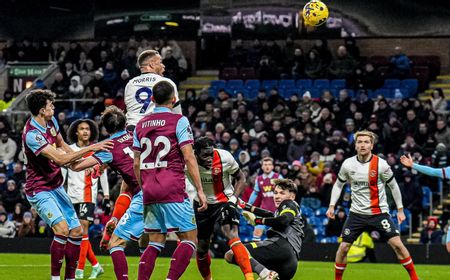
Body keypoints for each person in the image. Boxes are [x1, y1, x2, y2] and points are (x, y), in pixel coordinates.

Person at [22, 89, 113, 280]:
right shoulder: (32, 135)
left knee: (77, 231)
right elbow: (60, 160)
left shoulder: (51, 121)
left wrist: (80, 165)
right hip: (39, 189)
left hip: (56, 186)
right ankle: (55, 278)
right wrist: (91, 148)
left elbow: (63, 145)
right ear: (41, 110)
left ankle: (70, 278)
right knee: (62, 229)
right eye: (50, 105)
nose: (53, 107)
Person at [133, 81, 207, 280]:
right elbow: (189, 156)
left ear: (152, 99)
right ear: (174, 100)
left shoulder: (140, 124)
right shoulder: (179, 121)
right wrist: (199, 189)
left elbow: (136, 163)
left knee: (155, 241)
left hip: (149, 189)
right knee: (190, 239)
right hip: (172, 187)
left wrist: (144, 187)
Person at [327, 130, 419, 280]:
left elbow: (394, 186)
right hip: (356, 214)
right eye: (360, 142)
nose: (363, 145)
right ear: (355, 145)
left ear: (372, 145)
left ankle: (414, 278)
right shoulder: (348, 164)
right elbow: (338, 185)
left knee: (397, 244)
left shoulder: (381, 165)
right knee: (343, 248)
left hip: (379, 213)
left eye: (366, 142)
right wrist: (332, 206)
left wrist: (400, 210)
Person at [68, 106, 145, 280]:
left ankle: (88, 268)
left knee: (115, 244)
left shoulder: (108, 148)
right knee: (155, 240)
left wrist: (94, 149)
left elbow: (75, 166)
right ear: (125, 122)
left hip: (143, 193)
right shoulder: (136, 133)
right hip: (163, 186)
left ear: (104, 128)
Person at [189, 136, 254, 280]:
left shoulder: (225, 157)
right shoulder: (187, 162)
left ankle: (249, 278)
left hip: (225, 200)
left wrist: (233, 200)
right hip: (202, 204)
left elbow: (241, 178)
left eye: (211, 153)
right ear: (195, 153)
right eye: (205, 155)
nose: (210, 158)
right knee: (202, 248)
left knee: (231, 233)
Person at [225, 178, 304, 280]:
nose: (277, 196)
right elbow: (270, 214)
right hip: (290, 264)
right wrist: (245, 206)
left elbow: (283, 220)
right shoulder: (286, 211)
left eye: (282, 193)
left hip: (280, 246)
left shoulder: (288, 203)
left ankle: (265, 272)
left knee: (232, 253)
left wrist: (258, 221)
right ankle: (267, 273)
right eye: (275, 193)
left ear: (292, 196)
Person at [63, 119, 108, 279]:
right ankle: (95, 266)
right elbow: (64, 172)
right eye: (81, 129)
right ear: (76, 131)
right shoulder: (71, 150)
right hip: (71, 197)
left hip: (88, 195)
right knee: (77, 234)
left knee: (82, 231)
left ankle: (79, 270)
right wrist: (60, 192)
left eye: (87, 129)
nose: (85, 131)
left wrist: (107, 194)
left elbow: (102, 173)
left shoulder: (96, 150)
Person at [124, 49, 181, 131]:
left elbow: (129, 109)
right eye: (160, 62)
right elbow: (177, 115)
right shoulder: (166, 82)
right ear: (151, 65)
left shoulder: (130, 84)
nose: (163, 66)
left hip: (133, 129)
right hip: (156, 130)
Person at [248, 157, 283, 241]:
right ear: (262, 167)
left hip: (277, 211)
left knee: (278, 235)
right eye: (265, 165)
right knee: (257, 233)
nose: (267, 166)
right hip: (263, 210)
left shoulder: (278, 177)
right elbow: (255, 193)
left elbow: (286, 191)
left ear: (273, 167)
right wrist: (248, 204)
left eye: (269, 164)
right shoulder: (259, 179)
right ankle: (256, 253)